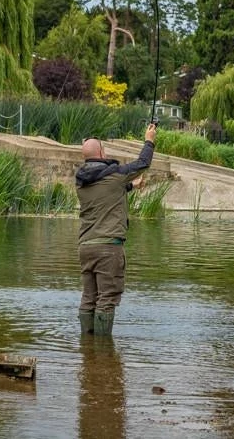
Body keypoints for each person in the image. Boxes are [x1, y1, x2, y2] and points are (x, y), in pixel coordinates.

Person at [76, 123, 157, 336]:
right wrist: (149, 139)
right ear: (102, 152)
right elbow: (143, 162)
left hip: (85, 247)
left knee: (89, 298)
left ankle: (87, 347)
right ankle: (102, 353)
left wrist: (131, 186)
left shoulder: (81, 180)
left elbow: (106, 192)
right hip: (108, 248)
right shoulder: (115, 174)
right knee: (107, 299)